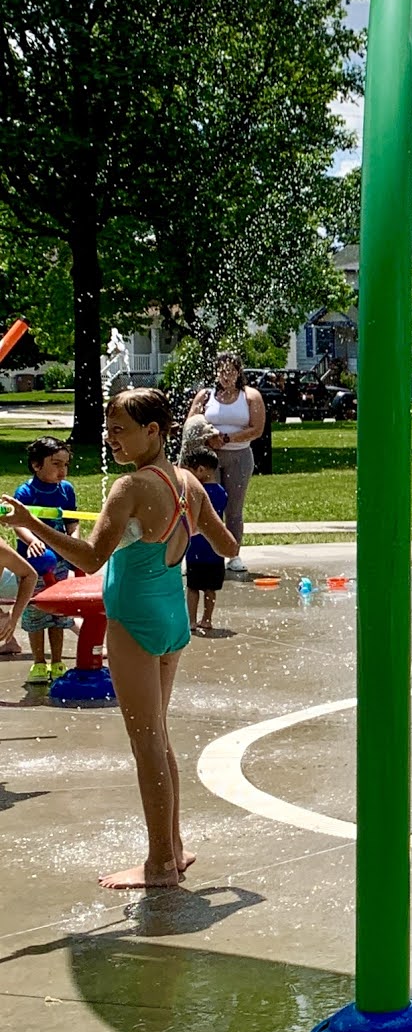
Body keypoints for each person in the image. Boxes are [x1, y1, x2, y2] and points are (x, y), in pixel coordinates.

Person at [3, 387, 237, 888]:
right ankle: (174, 847)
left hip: (134, 621)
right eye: (108, 429)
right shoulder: (188, 483)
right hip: (172, 619)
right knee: (159, 738)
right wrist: (179, 528)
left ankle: (159, 865)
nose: (110, 439)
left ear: (153, 431)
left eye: (119, 430)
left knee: (146, 744)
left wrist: (30, 524)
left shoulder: (130, 487)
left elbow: (89, 559)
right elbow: (228, 545)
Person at [183, 352, 266, 569]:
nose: (226, 376)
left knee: (234, 508)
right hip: (210, 459)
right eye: (222, 372)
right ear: (216, 373)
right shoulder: (205, 396)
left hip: (240, 456)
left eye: (231, 371)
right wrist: (208, 437)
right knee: (207, 505)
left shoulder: (250, 396)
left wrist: (227, 438)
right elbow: (191, 423)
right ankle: (206, 554)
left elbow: (257, 429)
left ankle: (233, 554)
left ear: (238, 373)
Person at [12, 436, 79, 684]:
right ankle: (39, 663)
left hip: (59, 561)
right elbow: (17, 523)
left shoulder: (66, 489)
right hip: (33, 565)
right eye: (56, 464)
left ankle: (58, 661)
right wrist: (32, 541)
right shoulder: (26, 492)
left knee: (59, 614)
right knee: (36, 612)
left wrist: (74, 542)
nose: (63, 470)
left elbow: (72, 521)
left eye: (66, 464)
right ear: (36, 465)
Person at [181, 447, 230, 636]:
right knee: (211, 588)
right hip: (214, 550)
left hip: (195, 549)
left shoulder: (195, 492)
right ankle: (207, 619)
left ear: (201, 470)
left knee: (193, 587)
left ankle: (192, 621)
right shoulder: (221, 492)